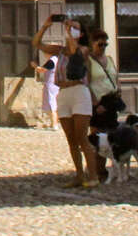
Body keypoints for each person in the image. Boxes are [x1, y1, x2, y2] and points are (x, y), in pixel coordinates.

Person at [41, 13, 97, 188]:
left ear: (81, 33)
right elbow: (37, 43)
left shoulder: (84, 49)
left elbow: (74, 50)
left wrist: (68, 32)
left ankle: (93, 176)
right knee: (71, 139)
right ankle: (79, 175)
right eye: (70, 27)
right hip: (63, 92)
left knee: (82, 137)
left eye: (75, 28)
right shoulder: (60, 51)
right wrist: (46, 26)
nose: (71, 30)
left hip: (79, 92)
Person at [80, 28, 120, 184]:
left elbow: (115, 77)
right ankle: (95, 170)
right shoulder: (89, 61)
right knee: (97, 139)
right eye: (100, 44)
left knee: (109, 138)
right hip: (97, 103)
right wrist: (95, 103)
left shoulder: (109, 59)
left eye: (105, 44)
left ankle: (102, 170)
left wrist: (118, 89)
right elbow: (86, 82)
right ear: (93, 44)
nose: (103, 47)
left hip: (111, 102)